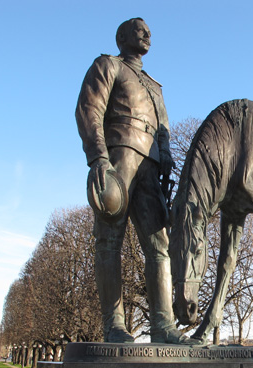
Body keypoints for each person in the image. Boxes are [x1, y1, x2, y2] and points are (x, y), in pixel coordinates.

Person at [76, 18, 182, 343]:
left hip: (151, 166)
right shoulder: (108, 65)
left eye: (148, 30)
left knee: (159, 245)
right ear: (121, 37)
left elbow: (163, 128)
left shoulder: (155, 86)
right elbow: (88, 109)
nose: (146, 33)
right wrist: (98, 158)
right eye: (139, 29)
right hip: (119, 154)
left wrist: (166, 159)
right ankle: (115, 325)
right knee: (109, 239)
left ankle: (163, 326)